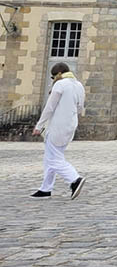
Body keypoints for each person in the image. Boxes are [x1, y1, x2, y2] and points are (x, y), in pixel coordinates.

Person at [31, 63, 86, 199]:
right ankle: (46, 188)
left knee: (53, 159)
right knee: (52, 156)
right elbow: (80, 108)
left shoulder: (60, 85)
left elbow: (49, 107)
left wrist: (39, 126)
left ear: (58, 74)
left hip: (58, 126)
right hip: (71, 124)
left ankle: (75, 179)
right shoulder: (79, 85)